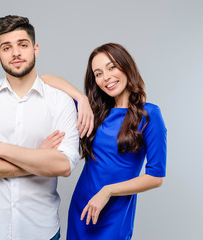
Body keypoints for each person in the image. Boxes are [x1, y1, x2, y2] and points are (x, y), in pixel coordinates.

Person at [0, 15, 81, 240]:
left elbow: (63, 165)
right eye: (6, 47)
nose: (15, 53)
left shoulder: (60, 102)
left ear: (35, 49)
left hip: (41, 231)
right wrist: (40, 159)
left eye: (23, 45)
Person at [41, 43, 167, 239]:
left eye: (111, 67)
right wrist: (81, 98)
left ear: (127, 67)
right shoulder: (93, 112)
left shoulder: (149, 114)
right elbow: (45, 79)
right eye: (98, 73)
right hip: (82, 208)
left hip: (115, 214)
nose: (106, 77)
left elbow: (155, 177)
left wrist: (108, 191)